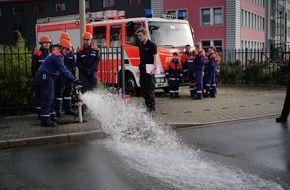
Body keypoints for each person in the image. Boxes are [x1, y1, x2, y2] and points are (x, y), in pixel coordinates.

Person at [35, 39, 81, 127]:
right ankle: (45, 120)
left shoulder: (58, 54)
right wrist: (74, 79)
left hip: (48, 76)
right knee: (48, 98)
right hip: (46, 76)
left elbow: (62, 71)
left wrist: (72, 78)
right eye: (66, 49)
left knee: (51, 97)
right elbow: (63, 70)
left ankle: (51, 116)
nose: (67, 52)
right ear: (60, 47)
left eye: (69, 50)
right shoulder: (57, 56)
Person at [135, 28, 158, 113]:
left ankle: (151, 108)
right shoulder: (141, 45)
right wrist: (138, 69)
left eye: (140, 35)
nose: (139, 37)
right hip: (143, 69)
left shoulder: (152, 45)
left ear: (145, 35)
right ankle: (148, 105)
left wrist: (154, 68)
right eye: (138, 36)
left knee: (149, 89)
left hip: (150, 69)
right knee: (143, 89)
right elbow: (141, 59)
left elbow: (155, 57)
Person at [55, 32, 76, 117]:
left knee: (68, 93)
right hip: (61, 76)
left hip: (69, 75)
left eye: (67, 40)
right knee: (59, 93)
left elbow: (74, 63)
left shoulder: (70, 51)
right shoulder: (58, 52)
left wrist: (74, 70)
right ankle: (58, 110)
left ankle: (68, 109)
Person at [31, 35, 51, 119]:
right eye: (45, 43)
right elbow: (34, 67)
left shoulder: (50, 54)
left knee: (46, 96)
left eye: (48, 43)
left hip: (47, 78)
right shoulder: (37, 53)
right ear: (41, 43)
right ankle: (40, 114)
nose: (47, 45)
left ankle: (46, 113)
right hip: (39, 78)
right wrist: (36, 77)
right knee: (39, 96)